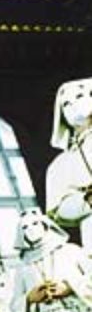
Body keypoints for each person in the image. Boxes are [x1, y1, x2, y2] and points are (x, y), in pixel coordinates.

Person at [46, 76, 92, 252]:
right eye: (65, 103)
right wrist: (85, 200)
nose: (72, 104)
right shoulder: (60, 164)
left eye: (79, 96)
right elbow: (58, 210)